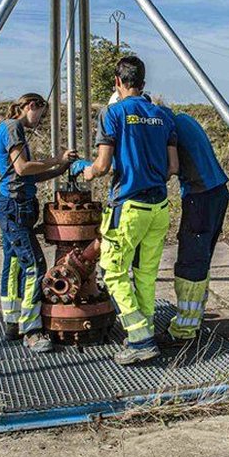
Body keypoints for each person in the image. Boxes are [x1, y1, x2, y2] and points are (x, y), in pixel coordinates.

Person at [71, 56, 178, 365]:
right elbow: (172, 167)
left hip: (128, 208)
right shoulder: (164, 116)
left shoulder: (113, 113)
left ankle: (140, 338)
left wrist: (85, 170)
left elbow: (102, 166)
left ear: (117, 82)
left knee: (113, 271)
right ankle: (144, 330)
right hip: (158, 208)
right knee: (145, 274)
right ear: (143, 83)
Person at [0, 93, 77, 353]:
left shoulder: (9, 128)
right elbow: (22, 168)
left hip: (16, 206)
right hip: (15, 207)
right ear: (31, 106)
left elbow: (28, 177)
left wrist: (59, 170)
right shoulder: (13, 127)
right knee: (34, 264)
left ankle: (12, 321)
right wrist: (57, 159)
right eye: (41, 113)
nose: (40, 120)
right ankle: (31, 328)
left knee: (15, 262)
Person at [153, 104, 229, 345]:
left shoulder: (167, 127)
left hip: (200, 197)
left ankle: (184, 330)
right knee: (201, 260)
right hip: (217, 194)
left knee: (190, 262)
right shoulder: (184, 119)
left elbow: (168, 167)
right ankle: (194, 319)